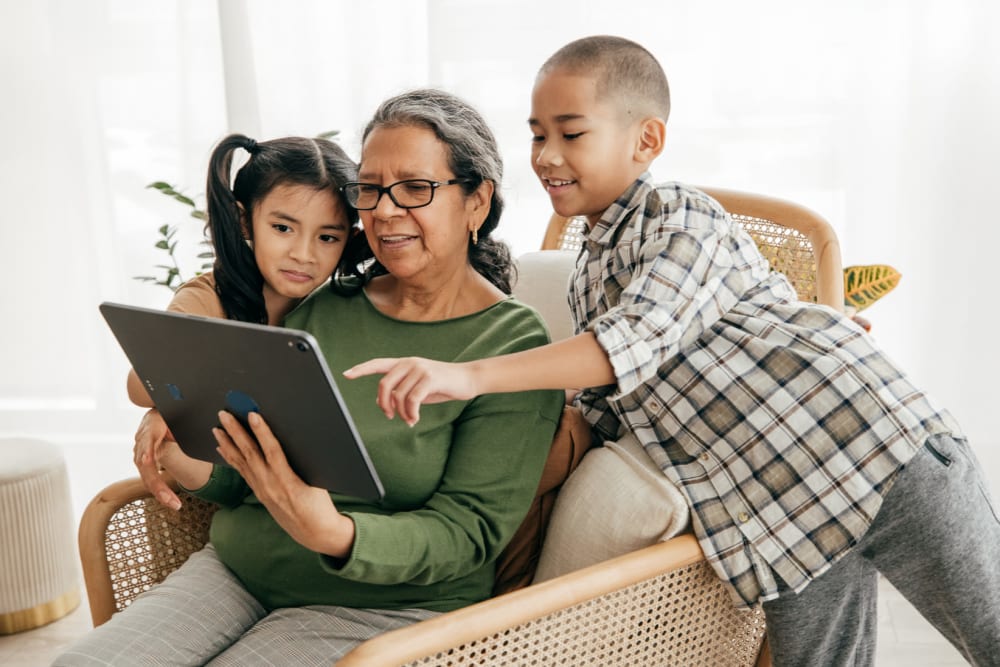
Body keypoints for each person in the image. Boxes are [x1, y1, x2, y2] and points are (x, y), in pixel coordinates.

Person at [345, 36, 1000, 665]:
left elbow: (632, 341)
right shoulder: (590, 274)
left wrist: (467, 377)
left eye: (570, 134)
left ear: (646, 140)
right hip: (785, 514)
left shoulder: (681, 216)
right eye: (538, 134)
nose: (545, 155)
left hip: (882, 456)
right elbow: (609, 406)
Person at [55, 89, 563, 666]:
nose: (386, 211)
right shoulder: (324, 306)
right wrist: (186, 451)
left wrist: (335, 533)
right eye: (370, 189)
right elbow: (249, 474)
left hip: (385, 606)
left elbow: (467, 532)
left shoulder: (511, 346)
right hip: (238, 571)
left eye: (416, 188)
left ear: (476, 202)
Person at [126, 133, 360, 512]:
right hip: (237, 488)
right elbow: (138, 386)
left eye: (328, 237)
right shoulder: (207, 298)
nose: (303, 254)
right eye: (283, 228)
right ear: (244, 222)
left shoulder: (342, 305)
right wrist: (164, 409)